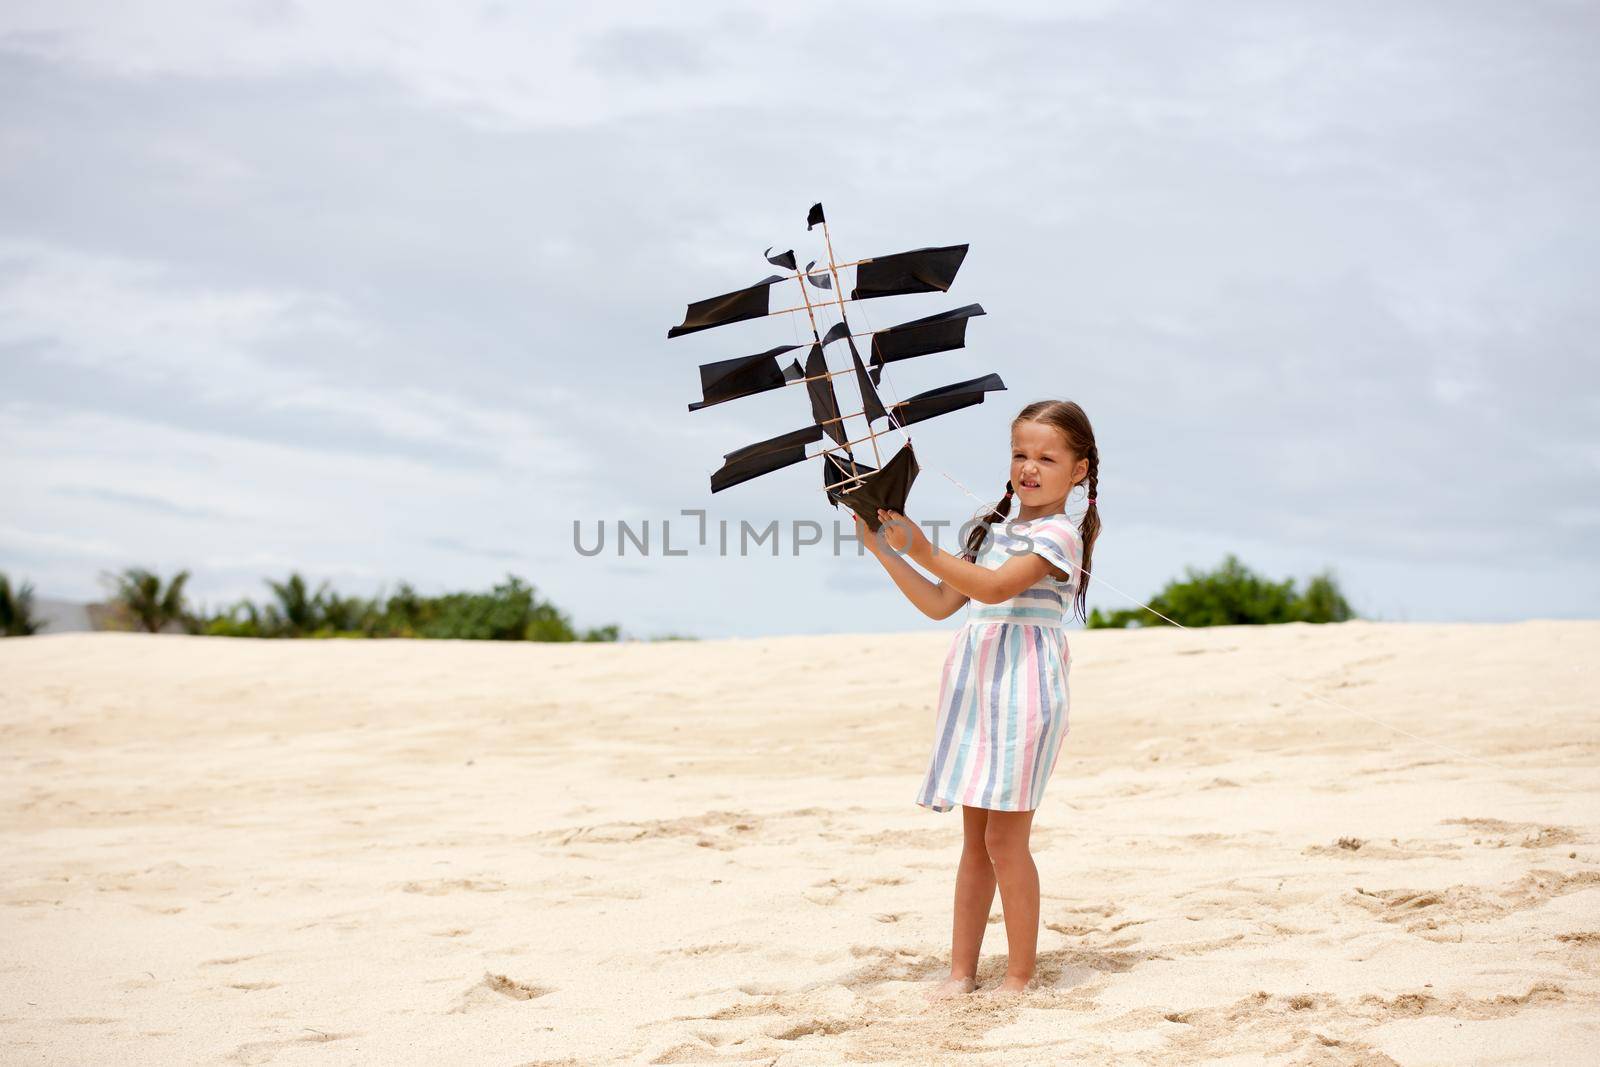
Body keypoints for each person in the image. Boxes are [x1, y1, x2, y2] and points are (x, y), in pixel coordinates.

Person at [853, 399, 1102, 998]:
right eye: (1020, 453)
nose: (1029, 467)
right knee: (974, 842)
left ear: (1080, 471)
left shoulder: (1058, 535)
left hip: (1025, 693)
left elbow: (993, 588)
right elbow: (943, 604)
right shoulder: (990, 529)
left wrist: (919, 546)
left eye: (1047, 457)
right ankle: (962, 971)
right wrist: (885, 548)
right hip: (977, 689)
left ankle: (1018, 977)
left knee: (1005, 841)